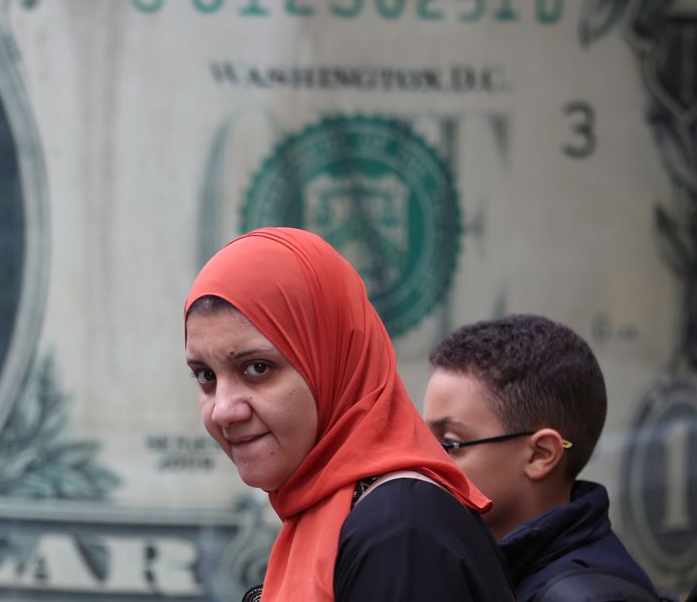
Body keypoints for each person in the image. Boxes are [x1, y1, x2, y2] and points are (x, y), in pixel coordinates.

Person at [184, 227, 513, 601]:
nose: (224, 410)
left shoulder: (399, 531)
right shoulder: (331, 514)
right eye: (206, 377)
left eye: (257, 368)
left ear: (335, 363)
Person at [424, 314, 657, 601]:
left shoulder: (585, 596)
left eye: (450, 443)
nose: (425, 461)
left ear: (540, 454)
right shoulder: (493, 566)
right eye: (423, 440)